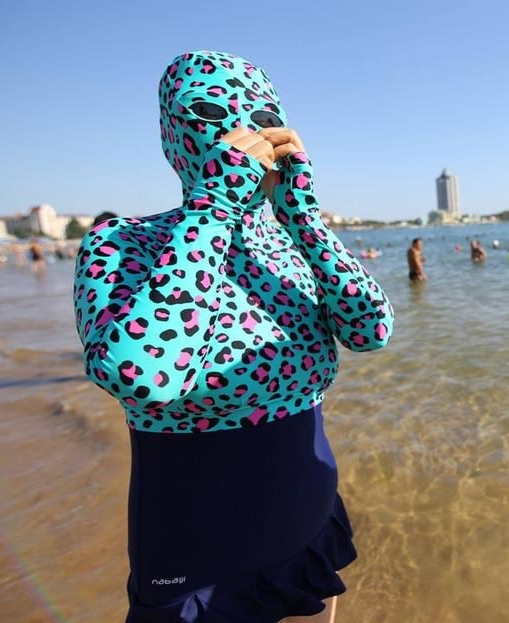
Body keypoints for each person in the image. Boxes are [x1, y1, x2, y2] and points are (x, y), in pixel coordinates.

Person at [72, 50, 394, 623]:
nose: (246, 132)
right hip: (197, 548)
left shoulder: (289, 246)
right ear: (175, 134)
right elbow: (143, 376)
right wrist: (214, 209)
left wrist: (305, 220)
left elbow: (371, 329)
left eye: (263, 119)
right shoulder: (122, 243)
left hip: (307, 515)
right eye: (211, 114)